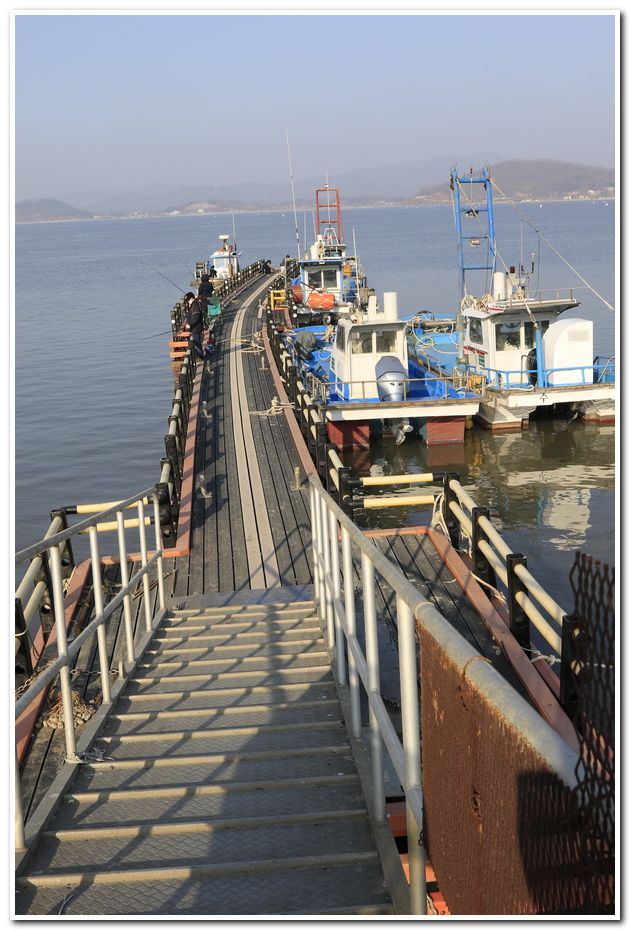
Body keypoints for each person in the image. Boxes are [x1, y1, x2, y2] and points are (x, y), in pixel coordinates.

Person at [181, 291, 205, 360]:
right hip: (195, 327)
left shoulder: (195, 305)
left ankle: (201, 357)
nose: (188, 301)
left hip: (196, 328)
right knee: (197, 342)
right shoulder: (195, 304)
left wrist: (190, 324)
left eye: (188, 300)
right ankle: (199, 356)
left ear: (191, 298)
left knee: (197, 343)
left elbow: (196, 317)